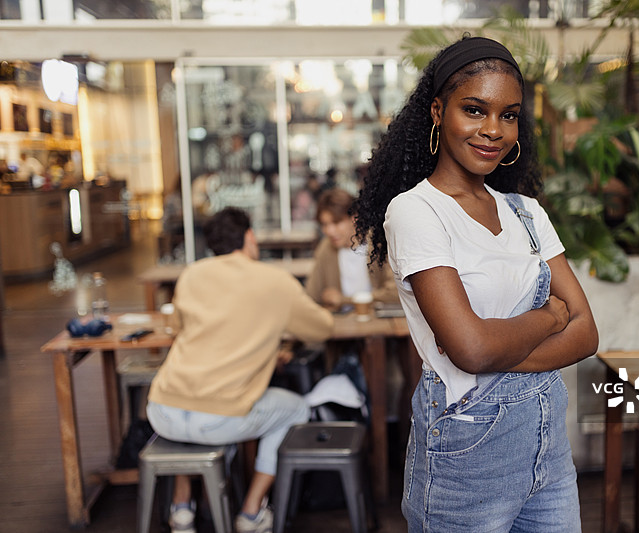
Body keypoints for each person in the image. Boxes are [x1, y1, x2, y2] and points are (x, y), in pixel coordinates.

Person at [354, 36, 599, 532]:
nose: (494, 130)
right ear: (439, 111)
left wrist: (493, 345)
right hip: (467, 449)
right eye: (475, 109)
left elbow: (587, 334)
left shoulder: (526, 213)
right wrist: (551, 317)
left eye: (508, 115)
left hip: (547, 451)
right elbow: (469, 351)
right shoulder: (416, 211)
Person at [147, 207, 334, 533]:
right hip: (220, 419)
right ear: (249, 237)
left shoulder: (192, 274)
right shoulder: (275, 281)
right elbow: (321, 329)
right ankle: (251, 512)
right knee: (296, 408)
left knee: (192, 406)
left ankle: (182, 509)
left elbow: (177, 326)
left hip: (163, 411)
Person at [305, 188, 398, 311]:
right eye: (324, 224)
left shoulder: (378, 243)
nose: (329, 231)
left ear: (354, 218)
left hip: (377, 321)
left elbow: (394, 293)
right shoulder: (326, 248)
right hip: (343, 324)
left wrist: (344, 300)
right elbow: (311, 296)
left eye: (337, 222)